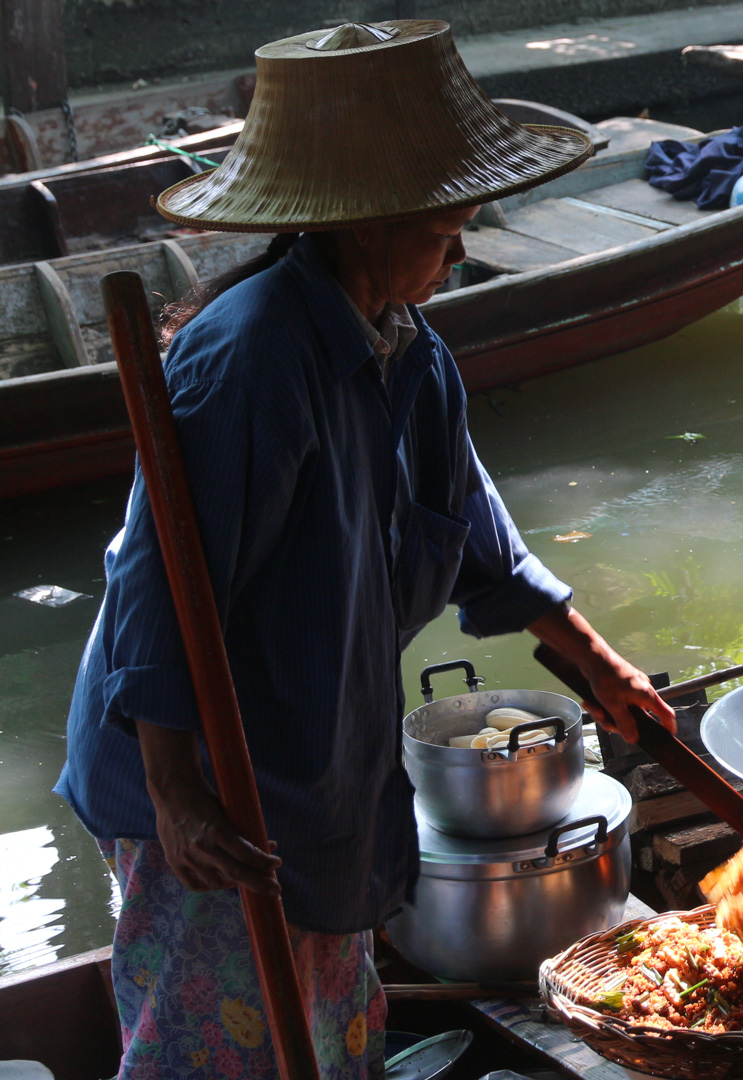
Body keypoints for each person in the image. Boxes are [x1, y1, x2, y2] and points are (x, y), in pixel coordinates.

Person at [54, 20, 673, 1079]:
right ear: (371, 221)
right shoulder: (252, 355)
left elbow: (474, 533)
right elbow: (159, 580)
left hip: (316, 762)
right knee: (218, 1050)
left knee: (329, 1033)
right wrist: (176, 792)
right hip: (204, 777)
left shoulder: (409, 348)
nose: (463, 247)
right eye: (449, 227)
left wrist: (599, 665)